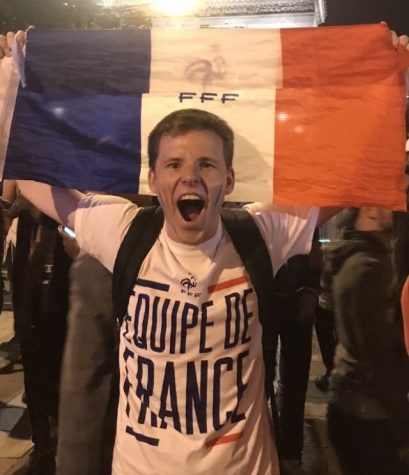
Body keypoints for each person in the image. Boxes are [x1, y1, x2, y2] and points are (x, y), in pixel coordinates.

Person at [2, 31, 409, 475]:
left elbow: (349, 175)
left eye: (207, 165)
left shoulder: (259, 233)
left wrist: (392, 88)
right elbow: (30, 176)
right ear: (153, 179)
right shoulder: (121, 231)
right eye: (174, 165)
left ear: (230, 181)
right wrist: (11, 80)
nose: (190, 178)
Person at [327, 207, 409, 475]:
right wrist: (402, 428)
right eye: (391, 201)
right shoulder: (367, 268)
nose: (399, 207)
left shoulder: (370, 258)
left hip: (362, 408)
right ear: (371, 208)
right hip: (369, 414)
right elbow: (379, 356)